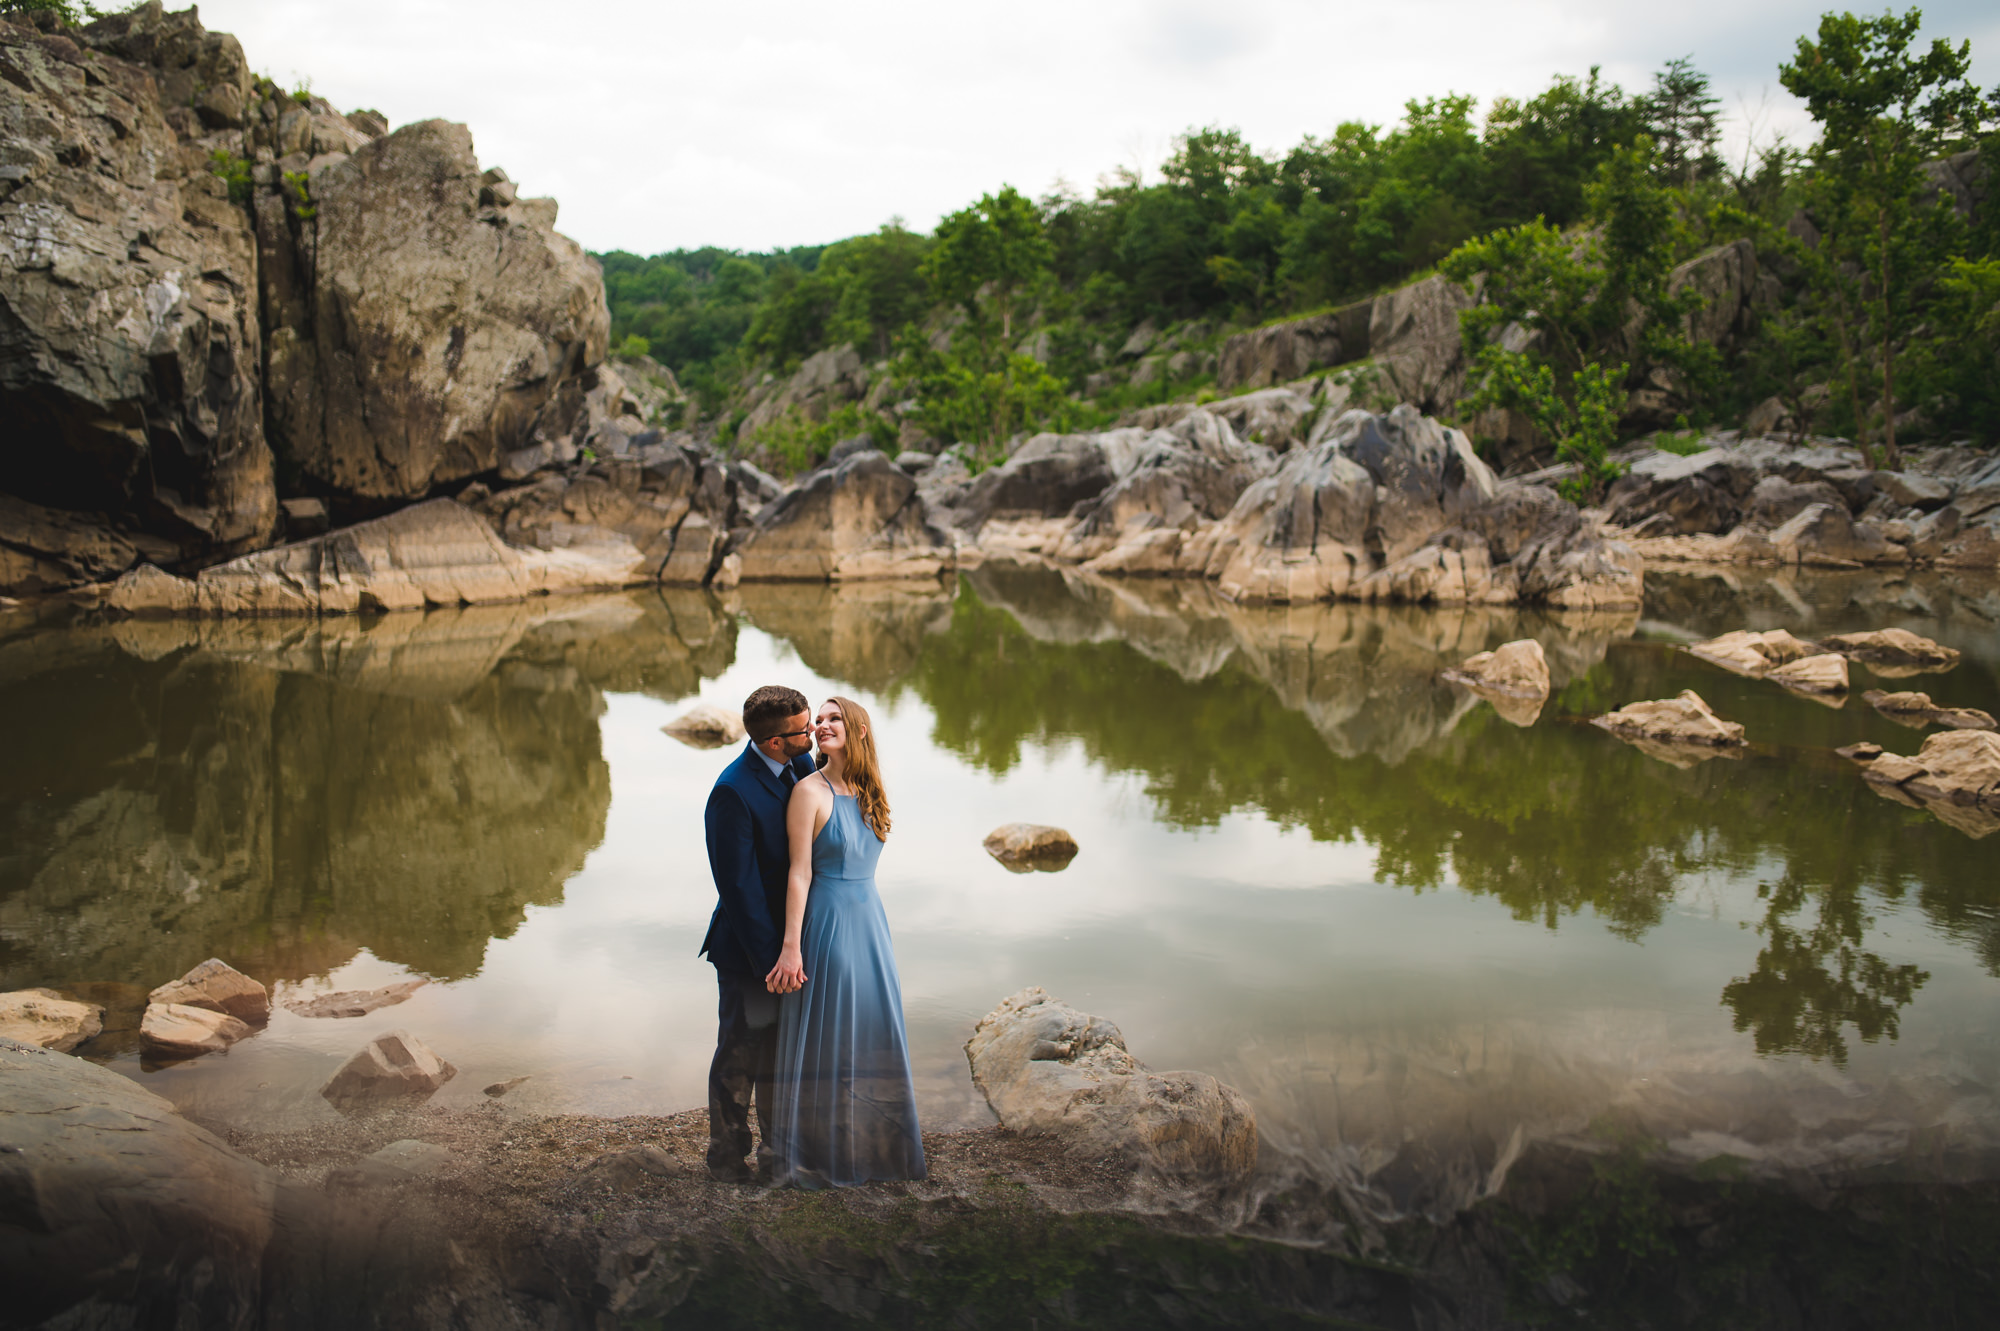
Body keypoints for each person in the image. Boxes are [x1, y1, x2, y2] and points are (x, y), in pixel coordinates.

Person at [764, 695, 926, 1187]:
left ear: (858, 730)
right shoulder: (808, 792)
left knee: (874, 1028)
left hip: (870, 922)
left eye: (834, 718)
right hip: (829, 923)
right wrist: (791, 946)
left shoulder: (870, 789)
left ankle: (878, 1145)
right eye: (820, 719)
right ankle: (826, 1151)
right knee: (833, 1034)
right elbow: (798, 874)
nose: (822, 725)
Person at [700, 684, 819, 1183]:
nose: (812, 733)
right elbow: (739, 888)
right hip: (753, 952)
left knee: (781, 1050)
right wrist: (774, 961)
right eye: (804, 729)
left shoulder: (803, 766)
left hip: (795, 945)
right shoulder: (733, 791)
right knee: (740, 1054)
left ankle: (778, 1150)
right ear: (774, 742)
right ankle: (726, 1159)